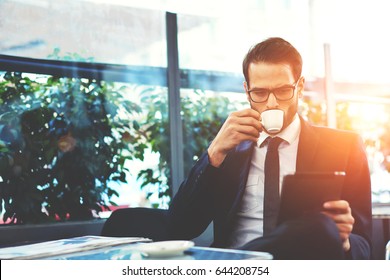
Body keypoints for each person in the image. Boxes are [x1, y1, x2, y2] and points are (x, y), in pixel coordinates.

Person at [167, 37, 372, 260]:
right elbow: (180, 227)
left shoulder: (344, 147)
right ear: (247, 91)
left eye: (283, 91)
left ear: (300, 87)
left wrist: (343, 241)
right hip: (237, 270)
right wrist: (214, 152)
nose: (272, 103)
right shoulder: (229, 149)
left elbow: (364, 244)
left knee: (319, 227)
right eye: (260, 93)